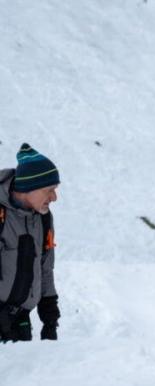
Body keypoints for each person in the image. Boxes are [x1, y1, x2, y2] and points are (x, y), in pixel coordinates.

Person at [0, 143, 60, 343]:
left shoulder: (43, 218)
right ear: (28, 188)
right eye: (49, 190)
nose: (54, 197)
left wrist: (49, 319)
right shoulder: (2, 214)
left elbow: (45, 267)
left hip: (19, 319)